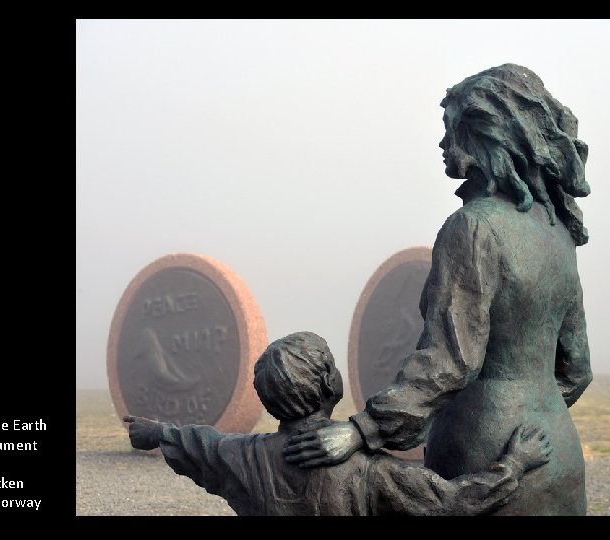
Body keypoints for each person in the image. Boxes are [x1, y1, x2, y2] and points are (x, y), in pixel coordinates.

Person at [283, 64, 592, 516]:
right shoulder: (559, 235)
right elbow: (577, 369)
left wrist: (361, 430)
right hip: (556, 451)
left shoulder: (472, 227)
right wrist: (534, 407)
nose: (443, 145)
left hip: (482, 450)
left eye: (451, 132)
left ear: (485, 135)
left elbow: (450, 361)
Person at [127, 331, 552, 516]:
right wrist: (514, 466)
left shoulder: (241, 457)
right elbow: (456, 503)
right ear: (332, 383)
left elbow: (198, 442)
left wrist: (155, 431)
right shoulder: (372, 473)